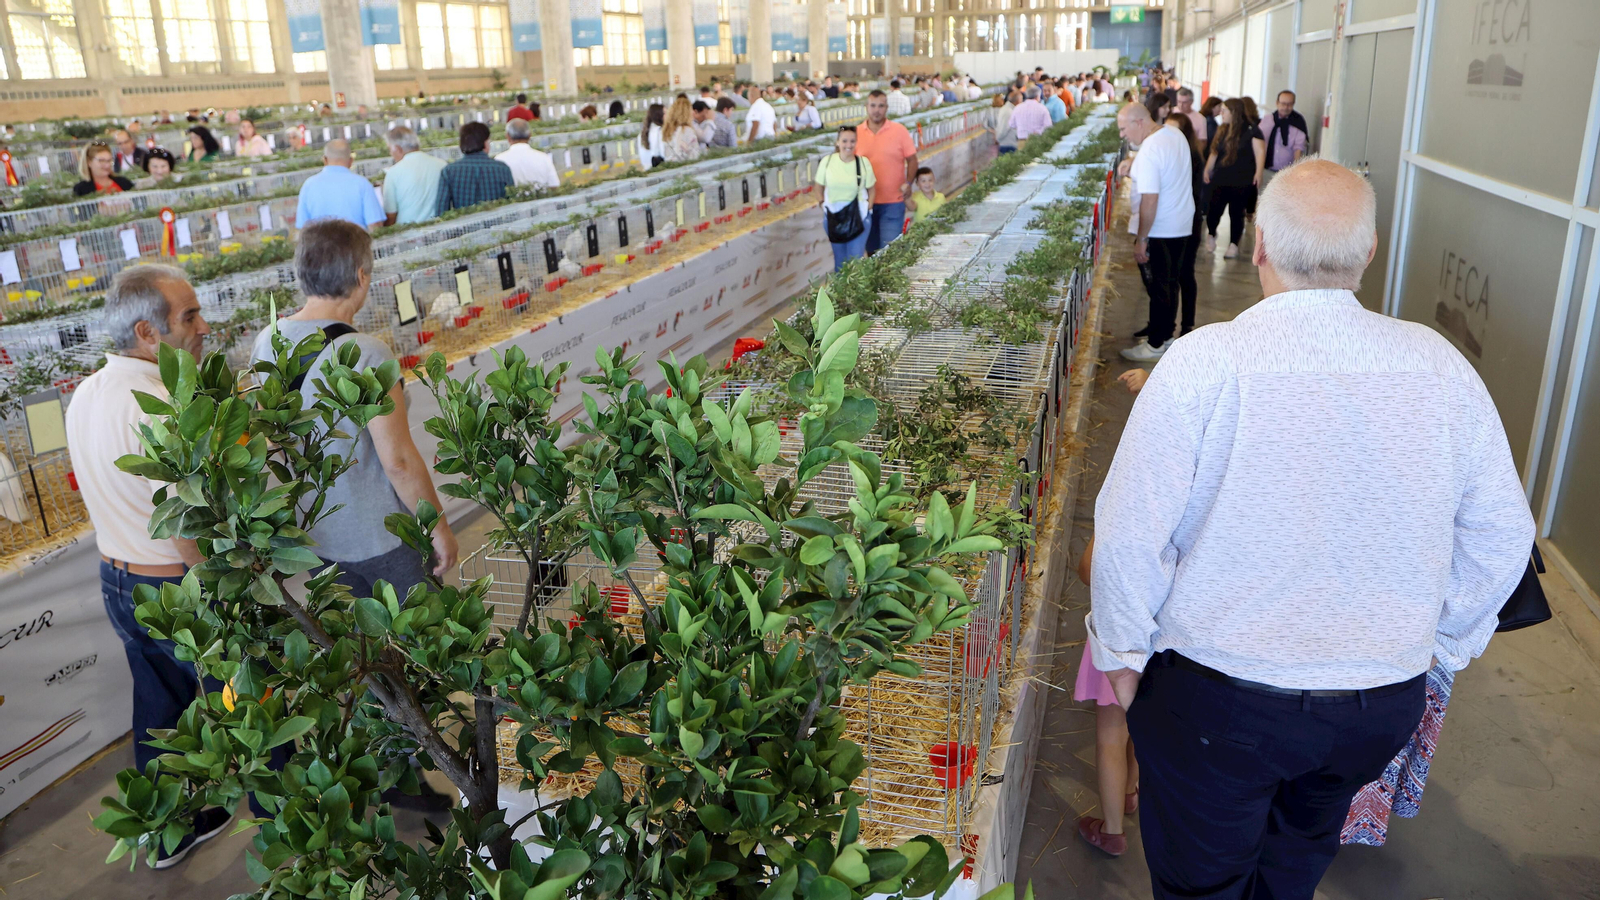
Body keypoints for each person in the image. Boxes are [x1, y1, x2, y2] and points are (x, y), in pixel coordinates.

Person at [1089, 158, 1535, 900]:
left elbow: (1129, 535)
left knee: (1202, 881)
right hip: (1374, 703)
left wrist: (1124, 657)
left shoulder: (1205, 363)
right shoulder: (1440, 367)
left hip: (1215, 696)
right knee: (1296, 863)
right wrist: (1436, 644)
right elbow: (1501, 535)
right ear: (1370, 251)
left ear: (1259, 244)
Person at [65, 265, 234, 869]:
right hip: (170, 584)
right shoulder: (160, 405)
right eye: (189, 316)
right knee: (239, 694)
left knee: (158, 704)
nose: (203, 327)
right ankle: (282, 818)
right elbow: (185, 524)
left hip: (117, 579)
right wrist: (218, 589)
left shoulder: (87, 392)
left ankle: (165, 832)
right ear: (147, 332)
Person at [251, 219, 460, 602]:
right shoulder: (367, 353)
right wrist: (438, 527)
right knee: (422, 631)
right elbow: (398, 461)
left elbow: (272, 442)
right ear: (361, 276)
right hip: (384, 536)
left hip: (317, 533)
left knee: (356, 635)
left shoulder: (269, 340)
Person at [1116, 102, 1193, 363]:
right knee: (1170, 284)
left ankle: (1155, 344)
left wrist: (1142, 238)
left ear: (1139, 122)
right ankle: (1167, 336)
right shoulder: (1173, 133)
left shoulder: (1149, 149)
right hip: (1182, 223)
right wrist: (1134, 161)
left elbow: (1149, 200)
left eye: (1124, 129)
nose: (1123, 135)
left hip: (1160, 228)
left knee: (1159, 287)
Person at [856, 90, 918, 255]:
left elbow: (912, 160)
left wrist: (909, 183)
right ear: (866, 107)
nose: (876, 110)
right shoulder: (855, 133)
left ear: (887, 108)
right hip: (865, 203)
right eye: (873, 106)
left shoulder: (899, 131)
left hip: (893, 201)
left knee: (890, 250)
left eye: (881, 106)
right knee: (871, 250)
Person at [1203, 97, 1266, 259]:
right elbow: (1214, 152)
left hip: (1242, 179)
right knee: (1214, 209)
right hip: (1221, 177)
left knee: (1237, 212)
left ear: (1234, 112)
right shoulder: (1222, 130)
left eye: (1225, 111)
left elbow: (1260, 152)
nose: (1221, 114)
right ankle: (1211, 233)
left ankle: (1233, 244)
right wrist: (1207, 169)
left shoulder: (1252, 130)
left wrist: (1258, 173)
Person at [1166, 113, 1205, 337]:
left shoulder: (1191, 156)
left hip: (1189, 221)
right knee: (1173, 275)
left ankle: (1186, 325)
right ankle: (1166, 324)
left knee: (1185, 274)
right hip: (1179, 220)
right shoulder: (1176, 153)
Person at [815, 125, 874, 271]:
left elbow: (872, 188)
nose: (849, 145)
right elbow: (818, 186)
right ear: (838, 142)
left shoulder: (863, 163)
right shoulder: (827, 162)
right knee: (840, 262)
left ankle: (855, 286)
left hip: (859, 216)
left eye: (852, 141)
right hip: (834, 217)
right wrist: (822, 203)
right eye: (845, 141)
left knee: (855, 261)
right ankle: (840, 286)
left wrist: (868, 207)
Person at [297, 138, 385, 230]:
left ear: (325, 160)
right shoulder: (362, 184)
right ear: (351, 161)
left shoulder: (308, 185)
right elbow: (375, 225)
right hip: (355, 239)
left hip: (319, 239)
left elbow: (302, 227)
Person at [435, 122, 514, 214]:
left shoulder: (449, 171)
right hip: (498, 222)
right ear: (485, 143)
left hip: (464, 222)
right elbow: (512, 205)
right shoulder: (502, 169)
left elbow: (441, 210)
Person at [380, 126, 447, 226]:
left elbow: (391, 215)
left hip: (407, 231)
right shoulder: (442, 165)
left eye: (390, 149)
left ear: (398, 149)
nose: (390, 153)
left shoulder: (393, 173)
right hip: (440, 227)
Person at [496, 117, 561, 188]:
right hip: (541, 195)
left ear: (508, 136)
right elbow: (554, 186)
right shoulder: (543, 158)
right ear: (530, 135)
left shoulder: (499, 161)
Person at [1265, 90, 1309, 176]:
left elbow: (1298, 149)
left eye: (1289, 104)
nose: (1286, 107)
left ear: (1293, 104)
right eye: (1283, 104)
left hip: (1287, 173)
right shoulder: (1268, 119)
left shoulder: (1298, 122)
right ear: (1277, 103)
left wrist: (1296, 172)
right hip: (1267, 169)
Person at [661, 96, 702, 163]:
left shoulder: (668, 130)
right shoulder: (686, 130)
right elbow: (692, 155)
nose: (693, 112)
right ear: (686, 112)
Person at [637, 103, 666, 169]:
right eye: (665, 113)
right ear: (659, 115)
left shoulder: (642, 134)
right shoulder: (660, 131)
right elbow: (664, 154)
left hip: (647, 168)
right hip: (660, 168)